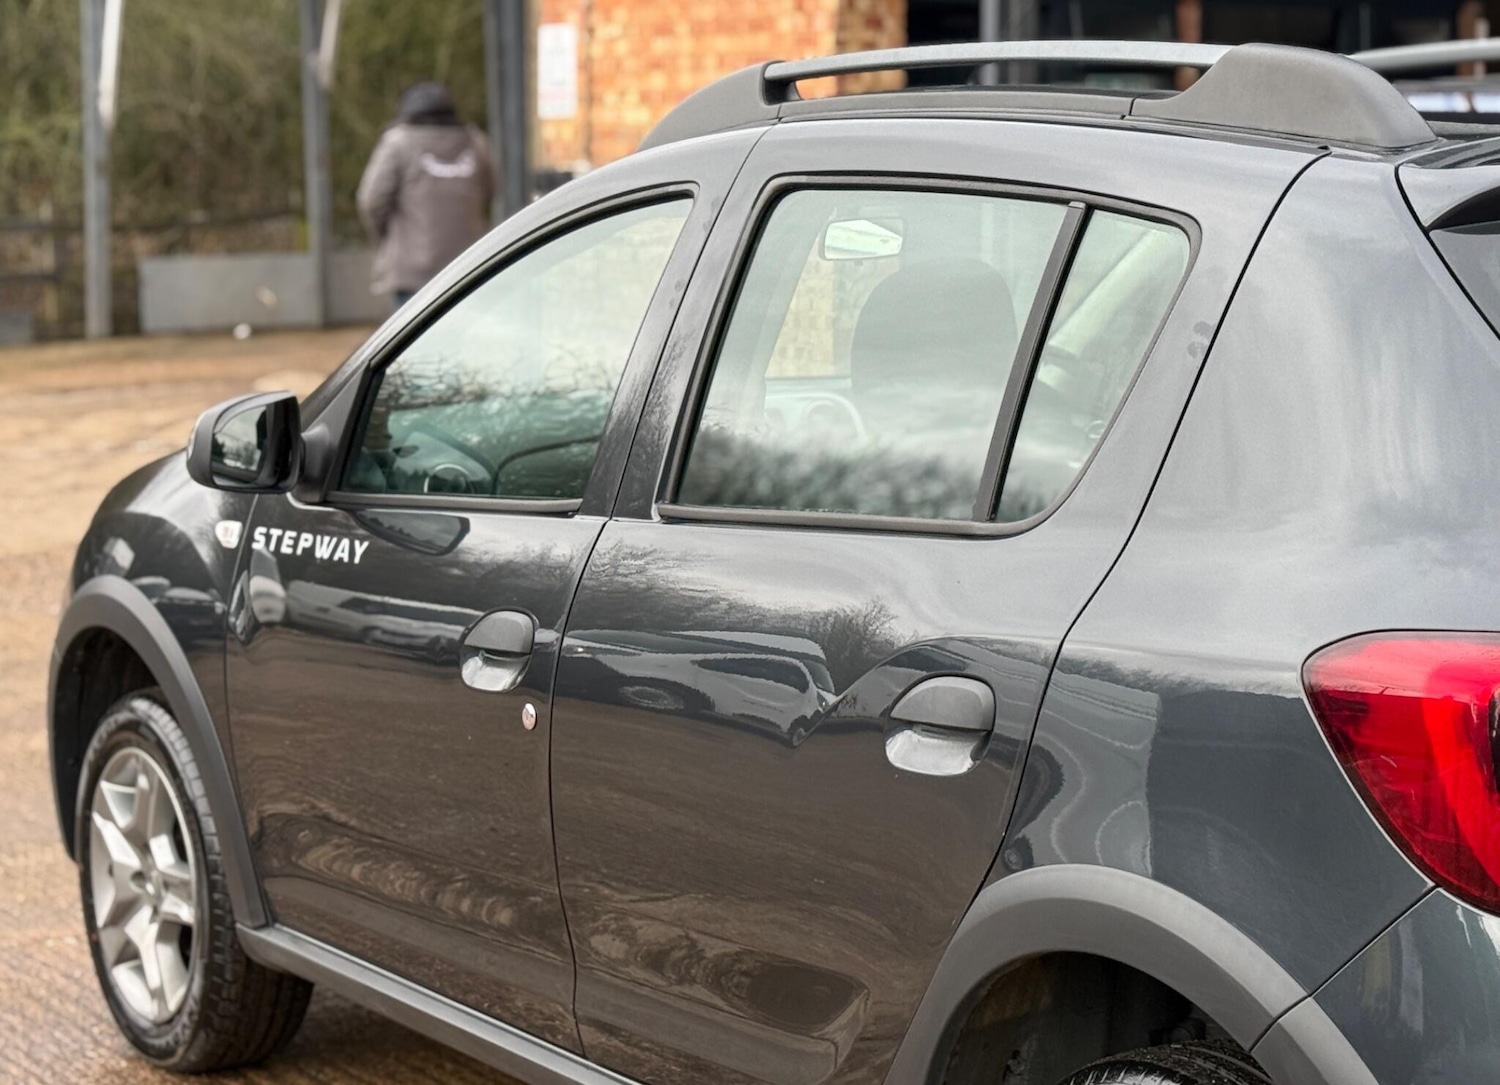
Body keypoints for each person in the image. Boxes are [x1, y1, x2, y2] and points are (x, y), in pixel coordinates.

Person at [357, 82, 494, 309]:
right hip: (468, 269)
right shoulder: (476, 142)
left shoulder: (398, 143)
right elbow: (490, 191)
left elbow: (371, 201)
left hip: (412, 274)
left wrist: (386, 239)